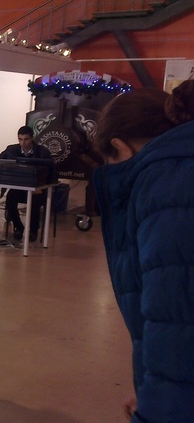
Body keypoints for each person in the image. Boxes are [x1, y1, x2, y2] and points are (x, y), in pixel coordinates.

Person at [92, 80, 194, 422]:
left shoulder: (169, 185)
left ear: (120, 146)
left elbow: (176, 324)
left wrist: (157, 406)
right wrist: (151, 387)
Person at [0, 125, 52, 241]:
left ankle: (33, 230)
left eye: (26, 139)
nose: (23, 143)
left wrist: (42, 187)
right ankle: (18, 227)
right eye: (20, 139)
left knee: (35, 202)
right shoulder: (11, 149)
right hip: (18, 187)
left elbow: (51, 172)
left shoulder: (42, 152)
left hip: (37, 189)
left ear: (32, 138)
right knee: (10, 199)